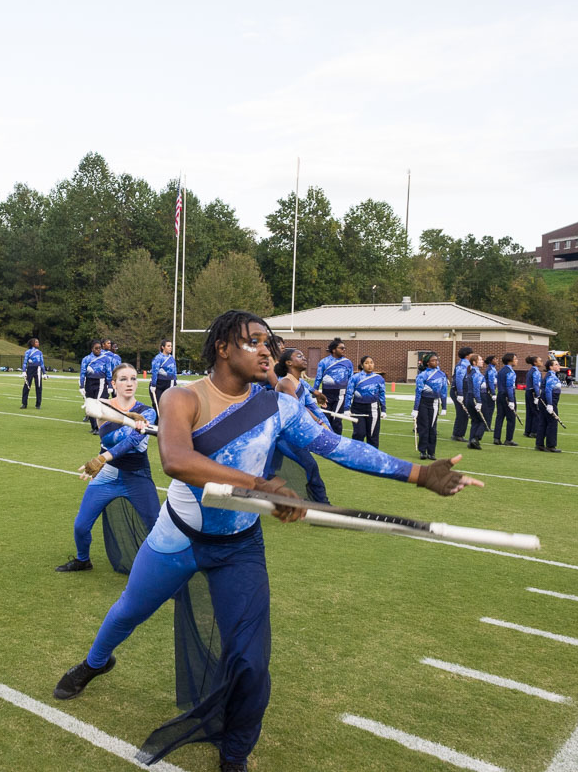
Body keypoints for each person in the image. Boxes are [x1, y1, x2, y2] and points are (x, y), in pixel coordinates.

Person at [51, 310, 482, 772]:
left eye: (269, 343)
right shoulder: (181, 398)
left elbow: (339, 448)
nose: (265, 350)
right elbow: (177, 459)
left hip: (239, 547)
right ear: (222, 347)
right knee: (129, 612)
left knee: (252, 662)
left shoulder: (279, 406)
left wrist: (418, 474)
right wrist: (259, 485)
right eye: (253, 341)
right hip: (178, 535)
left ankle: (234, 753)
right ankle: (95, 663)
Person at [57, 363, 160, 574]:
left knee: (157, 527)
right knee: (81, 526)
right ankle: (82, 560)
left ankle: (163, 568)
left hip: (137, 476)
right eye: (123, 379)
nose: (129, 383)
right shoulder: (101, 407)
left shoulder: (147, 412)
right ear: (113, 384)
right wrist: (128, 420)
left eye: (133, 378)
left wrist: (101, 457)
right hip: (107, 476)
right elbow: (106, 424)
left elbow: (132, 441)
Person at [271, 348, 330, 503]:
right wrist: (319, 422)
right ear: (289, 363)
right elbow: (298, 407)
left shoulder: (299, 382)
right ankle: (322, 504)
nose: (304, 358)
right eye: (299, 356)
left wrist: (319, 398)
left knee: (270, 470)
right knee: (310, 465)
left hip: (293, 433)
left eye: (303, 356)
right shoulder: (285, 382)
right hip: (282, 434)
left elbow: (309, 401)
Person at [342, 355, 386, 448]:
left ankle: (372, 458)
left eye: (371, 363)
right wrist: (346, 408)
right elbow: (349, 393)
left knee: (373, 435)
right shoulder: (355, 378)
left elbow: (382, 394)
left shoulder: (379, 378)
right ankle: (356, 455)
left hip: (373, 409)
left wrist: (383, 410)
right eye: (366, 363)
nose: (369, 365)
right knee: (359, 434)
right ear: (362, 365)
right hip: (357, 409)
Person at [313, 338, 353, 435]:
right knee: (325, 420)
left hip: (341, 395)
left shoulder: (348, 363)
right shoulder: (324, 362)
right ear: (334, 349)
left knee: (336, 420)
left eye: (344, 348)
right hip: (326, 395)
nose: (344, 350)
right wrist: (314, 396)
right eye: (341, 348)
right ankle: (326, 442)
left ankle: (337, 442)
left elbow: (351, 381)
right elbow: (318, 379)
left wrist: (349, 398)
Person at [412, 352, 448, 460]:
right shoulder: (422, 375)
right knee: (424, 427)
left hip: (435, 403)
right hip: (423, 402)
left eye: (437, 360)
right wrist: (415, 409)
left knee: (433, 428)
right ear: (427, 363)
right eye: (433, 360)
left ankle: (431, 452)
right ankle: (423, 451)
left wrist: (444, 406)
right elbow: (418, 392)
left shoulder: (442, 374)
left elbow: (444, 391)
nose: (436, 362)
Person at [80, 341, 111, 434]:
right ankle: (94, 427)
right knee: (90, 404)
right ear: (92, 349)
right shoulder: (86, 359)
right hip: (89, 382)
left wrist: (109, 385)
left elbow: (109, 372)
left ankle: (100, 427)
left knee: (98, 404)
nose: (98, 350)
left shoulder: (105, 358)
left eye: (99, 348)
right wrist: (81, 386)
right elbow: (82, 373)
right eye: (96, 348)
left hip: (100, 381)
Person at [537, 357, 563, 453]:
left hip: (546, 401)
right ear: (551, 367)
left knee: (543, 422)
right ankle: (551, 445)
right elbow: (548, 390)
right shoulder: (551, 376)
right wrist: (550, 404)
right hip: (549, 401)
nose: (558, 366)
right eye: (556, 364)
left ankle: (539, 444)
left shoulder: (550, 375)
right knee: (552, 423)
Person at [493, 353, 518, 446]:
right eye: (515, 359)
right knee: (511, 418)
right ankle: (509, 439)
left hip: (500, 395)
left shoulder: (501, 370)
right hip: (507, 395)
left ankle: (496, 437)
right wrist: (511, 400)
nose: (517, 360)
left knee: (499, 417)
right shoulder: (510, 372)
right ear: (510, 360)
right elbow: (509, 386)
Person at [463, 354, 487, 450]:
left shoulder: (471, 372)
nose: (482, 361)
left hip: (469, 398)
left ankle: (471, 441)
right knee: (483, 420)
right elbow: (476, 389)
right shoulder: (476, 373)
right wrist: (479, 401)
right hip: (476, 397)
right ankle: (476, 438)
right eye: (480, 359)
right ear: (474, 362)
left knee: (475, 420)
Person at [450, 346, 474, 442]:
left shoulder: (468, 364)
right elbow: (459, 379)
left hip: (465, 390)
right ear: (467, 355)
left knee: (464, 413)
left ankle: (459, 433)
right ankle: (457, 434)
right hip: (459, 390)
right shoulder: (463, 365)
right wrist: (460, 393)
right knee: (462, 413)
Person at [149, 339, 177, 410]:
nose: (170, 347)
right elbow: (155, 371)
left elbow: (174, 371)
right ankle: (157, 420)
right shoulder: (158, 358)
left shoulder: (171, 358)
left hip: (169, 383)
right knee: (157, 405)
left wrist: (175, 382)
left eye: (171, 346)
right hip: (159, 383)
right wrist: (153, 385)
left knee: (168, 405)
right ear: (163, 347)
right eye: (168, 346)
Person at [21, 338, 45, 409]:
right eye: (36, 342)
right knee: (27, 386)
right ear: (32, 343)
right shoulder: (28, 352)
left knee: (39, 387)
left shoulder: (40, 352)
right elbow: (25, 362)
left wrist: (44, 373)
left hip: (38, 369)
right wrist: (24, 371)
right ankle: (24, 403)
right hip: (30, 369)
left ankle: (38, 404)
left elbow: (42, 363)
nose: (38, 343)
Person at [524, 356, 543, 439]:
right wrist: (538, 395)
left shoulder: (531, 371)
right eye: (540, 361)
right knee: (536, 412)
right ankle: (534, 431)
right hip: (533, 392)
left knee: (530, 412)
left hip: (528, 391)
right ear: (535, 363)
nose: (541, 362)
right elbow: (536, 384)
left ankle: (527, 430)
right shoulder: (536, 372)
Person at [482, 355, 498, 433]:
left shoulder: (493, 369)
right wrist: (493, 392)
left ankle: (487, 425)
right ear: (491, 361)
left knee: (490, 409)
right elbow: (491, 381)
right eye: (495, 359)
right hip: (489, 391)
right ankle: (486, 425)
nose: (497, 360)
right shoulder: (491, 369)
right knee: (489, 409)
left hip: (490, 390)